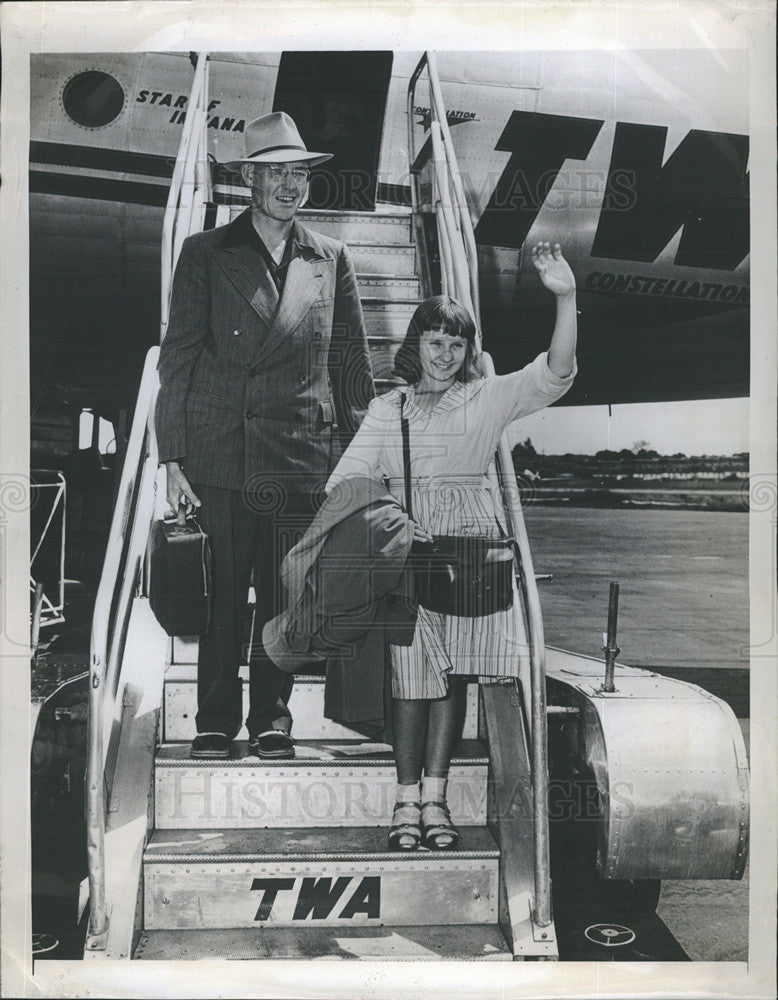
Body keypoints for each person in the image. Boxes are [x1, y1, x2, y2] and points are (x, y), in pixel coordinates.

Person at [323, 242, 577, 849]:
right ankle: (405, 801)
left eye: (456, 344)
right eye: (434, 342)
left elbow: (555, 373)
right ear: (416, 346)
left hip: (470, 548)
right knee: (412, 680)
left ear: (468, 351)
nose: (445, 354)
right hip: (412, 547)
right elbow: (344, 482)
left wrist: (566, 298)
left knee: (454, 677)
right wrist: (381, 522)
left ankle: (435, 802)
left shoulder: (486, 397)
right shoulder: (390, 409)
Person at [155, 112, 373, 760]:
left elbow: (352, 370)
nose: (288, 184)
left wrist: (363, 462)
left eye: (298, 173)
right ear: (249, 177)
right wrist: (171, 456)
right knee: (222, 594)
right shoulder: (205, 253)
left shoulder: (330, 259)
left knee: (283, 594)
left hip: (299, 457)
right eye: (275, 171)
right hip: (222, 451)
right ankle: (214, 722)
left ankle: (272, 719)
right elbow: (177, 359)